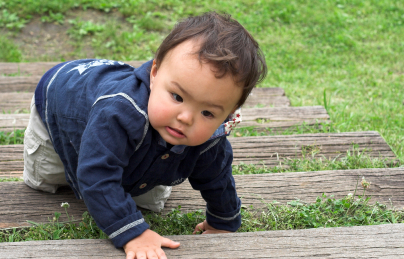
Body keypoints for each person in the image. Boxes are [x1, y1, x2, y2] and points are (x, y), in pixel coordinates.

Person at [23, 11, 267, 259]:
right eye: (177, 97)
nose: (185, 117)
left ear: (228, 113)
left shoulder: (210, 136)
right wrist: (133, 233)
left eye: (207, 112)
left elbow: (218, 177)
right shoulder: (119, 111)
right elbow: (96, 174)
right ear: (154, 73)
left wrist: (223, 222)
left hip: (121, 126)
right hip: (61, 102)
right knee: (48, 179)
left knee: (150, 201)